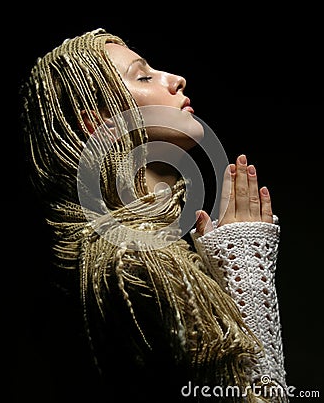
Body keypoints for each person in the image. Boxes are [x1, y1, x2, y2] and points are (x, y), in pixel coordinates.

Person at [20, 28, 288, 402]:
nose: (176, 80)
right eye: (143, 76)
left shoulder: (148, 247)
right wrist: (247, 269)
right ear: (97, 122)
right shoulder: (131, 264)